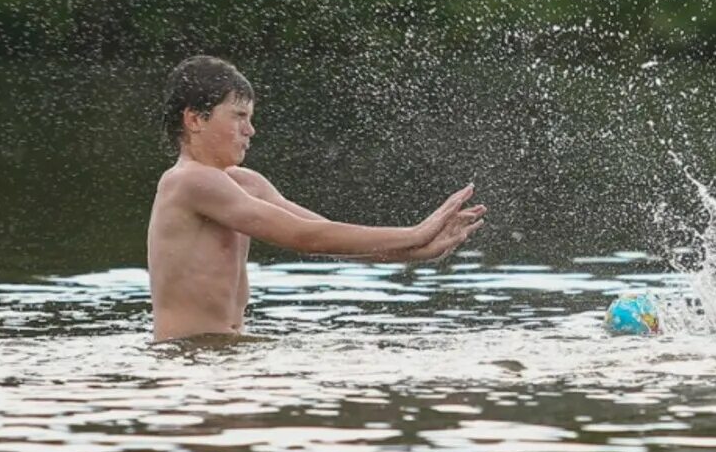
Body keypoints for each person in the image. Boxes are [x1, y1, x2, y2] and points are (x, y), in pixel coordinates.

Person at [147, 56, 484, 342]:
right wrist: (415, 232)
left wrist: (414, 253)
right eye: (238, 116)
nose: (250, 130)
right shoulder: (188, 181)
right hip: (187, 358)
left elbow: (323, 234)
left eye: (250, 118)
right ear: (194, 119)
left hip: (224, 354)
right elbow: (304, 238)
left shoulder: (246, 183)